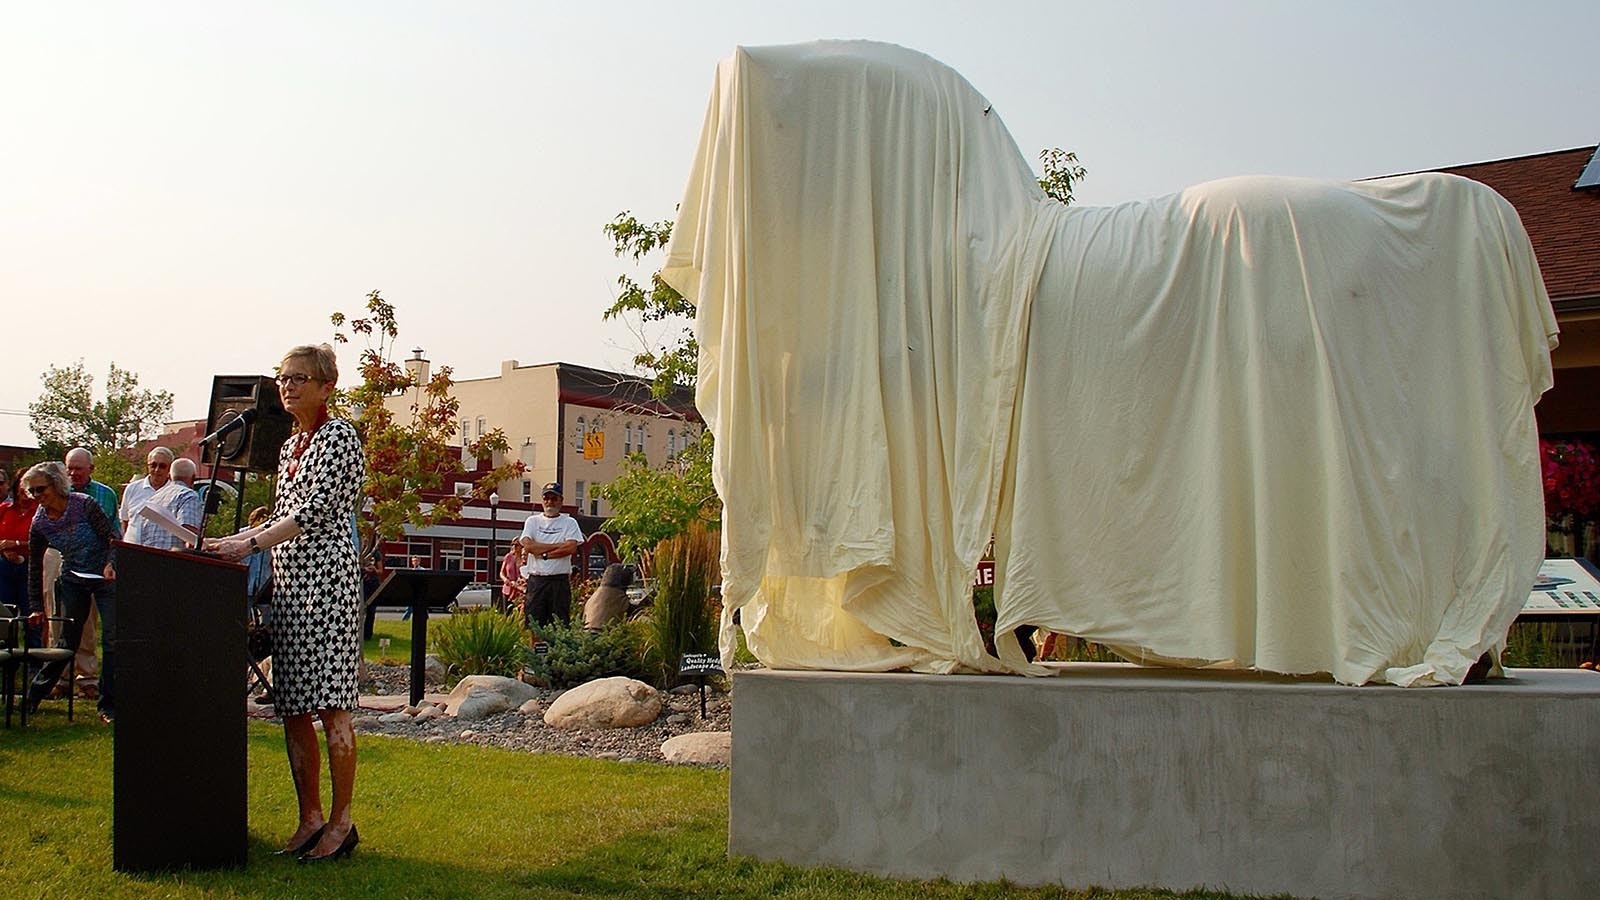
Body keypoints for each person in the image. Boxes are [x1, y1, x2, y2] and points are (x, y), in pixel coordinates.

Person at [205, 343, 366, 863]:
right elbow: (285, 512)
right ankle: (309, 818)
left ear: (326, 387)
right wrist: (251, 542)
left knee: (331, 705)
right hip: (291, 585)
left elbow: (317, 511)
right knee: (293, 706)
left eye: (299, 378)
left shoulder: (339, 436)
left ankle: (343, 824)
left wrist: (248, 543)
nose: (288, 386)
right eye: (282, 378)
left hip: (329, 587)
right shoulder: (289, 447)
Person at [20, 461, 120, 723]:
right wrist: (36, 606)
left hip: (104, 577)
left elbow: (112, 538)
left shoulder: (84, 504)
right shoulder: (40, 523)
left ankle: (107, 706)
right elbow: (34, 566)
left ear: (56, 485)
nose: (36, 496)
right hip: (73, 578)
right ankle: (34, 697)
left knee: (112, 639)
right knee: (67, 641)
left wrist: (111, 563)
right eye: (32, 492)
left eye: (40, 489)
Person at [64, 446, 116, 692]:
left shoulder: (105, 495)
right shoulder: (59, 493)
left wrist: (110, 561)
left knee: (90, 622)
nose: (73, 473)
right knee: (64, 620)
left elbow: (114, 530)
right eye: (70, 469)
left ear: (91, 469)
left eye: (78, 469)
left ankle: (86, 677)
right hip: (64, 560)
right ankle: (61, 676)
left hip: (96, 562)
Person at [517, 483, 584, 629]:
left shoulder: (569, 522)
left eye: (554, 498)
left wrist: (544, 553)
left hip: (559, 582)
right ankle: (534, 651)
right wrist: (559, 545)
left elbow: (571, 547)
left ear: (561, 500)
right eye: (546, 498)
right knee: (534, 624)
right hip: (537, 581)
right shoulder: (532, 521)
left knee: (560, 625)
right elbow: (528, 546)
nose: (550, 502)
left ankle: (556, 651)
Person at [0, 467, 43, 649]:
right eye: (23, 487)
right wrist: (4, 549)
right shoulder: (4, 510)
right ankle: (9, 661)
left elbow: (44, 541)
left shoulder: (40, 512)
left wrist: (16, 544)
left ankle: (32, 661)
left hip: (31, 569)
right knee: (6, 616)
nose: (27, 493)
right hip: (4, 569)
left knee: (30, 616)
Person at [133, 457, 203, 551]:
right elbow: (189, 536)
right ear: (193, 478)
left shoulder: (154, 498)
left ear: (169, 476)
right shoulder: (188, 496)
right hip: (172, 560)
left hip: (148, 557)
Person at [119, 447, 175, 545]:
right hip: (132, 550)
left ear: (169, 468)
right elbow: (125, 521)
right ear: (147, 466)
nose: (157, 470)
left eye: (162, 466)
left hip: (160, 552)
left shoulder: (175, 492)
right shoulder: (132, 489)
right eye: (153, 465)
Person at [500, 544, 528, 616]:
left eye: (517, 545)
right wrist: (505, 579)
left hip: (520, 590)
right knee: (507, 613)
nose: (514, 546)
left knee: (520, 613)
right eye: (512, 544)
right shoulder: (508, 557)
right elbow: (501, 572)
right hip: (509, 588)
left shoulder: (525, 558)